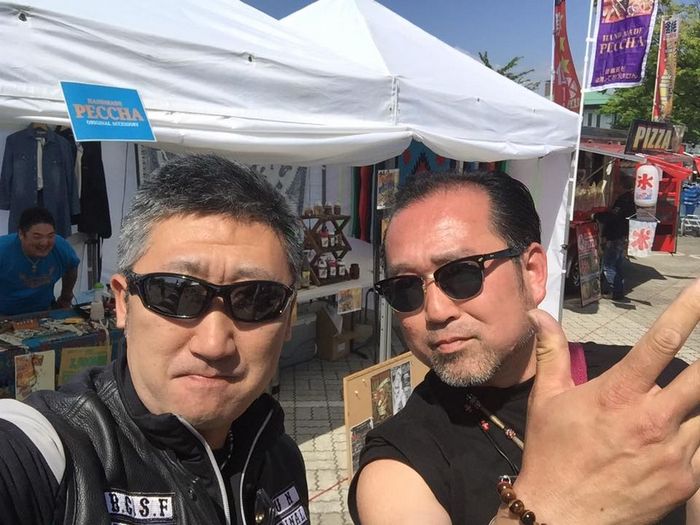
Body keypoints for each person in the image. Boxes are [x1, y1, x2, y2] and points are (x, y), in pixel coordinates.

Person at [350, 171, 700, 524]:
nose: (436, 312)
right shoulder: (400, 460)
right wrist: (553, 504)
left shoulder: (660, 394)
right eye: (405, 288)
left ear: (532, 272)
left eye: (461, 274)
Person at [0, 155, 309, 524]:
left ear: (289, 317)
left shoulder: (280, 458)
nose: (213, 345)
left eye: (256, 299)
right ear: (122, 304)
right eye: (175, 294)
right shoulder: (53, 453)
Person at [0, 206, 79, 316]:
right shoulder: (3, 250)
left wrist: (66, 297)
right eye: (37, 237)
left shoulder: (60, 246)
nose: (44, 243)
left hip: (44, 310)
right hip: (5, 313)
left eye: (50, 236)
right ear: (21, 234)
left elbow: (72, 266)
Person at [595, 177, 636, 300]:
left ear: (622, 186)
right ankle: (618, 291)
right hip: (621, 234)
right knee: (617, 264)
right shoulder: (630, 199)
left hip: (615, 235)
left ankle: (613, 290)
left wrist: (598, 216)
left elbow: (614, 217)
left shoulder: (623, 200)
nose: (616, 187)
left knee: (609, 265)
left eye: (618, 184)